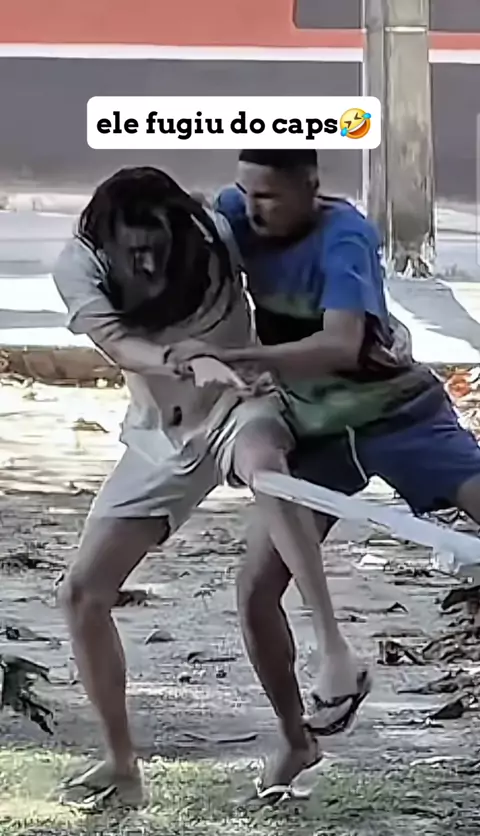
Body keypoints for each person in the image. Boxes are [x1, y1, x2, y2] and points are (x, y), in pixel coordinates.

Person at [52, 166, 365, 806]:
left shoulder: (218, 231)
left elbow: (305, 248)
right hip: (161, 435)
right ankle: (121, 766)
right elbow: (118, 344)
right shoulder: (78, 264)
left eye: (158, 247)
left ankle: (333, 652)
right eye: (134, 252)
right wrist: (184, 358)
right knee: (81, 593)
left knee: (266, 467)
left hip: (240, 406)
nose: (148, 263)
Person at [170, 148, 480, 794]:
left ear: (311, 188)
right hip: (316, 432)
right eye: (245, 192)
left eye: (268, 196)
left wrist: (242, 356)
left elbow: (341, 343)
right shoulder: (233, 211)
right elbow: (176, 231)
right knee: (256, 589)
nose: (252, 209)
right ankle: (295, 738)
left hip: (399, 414)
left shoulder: (346, 236)